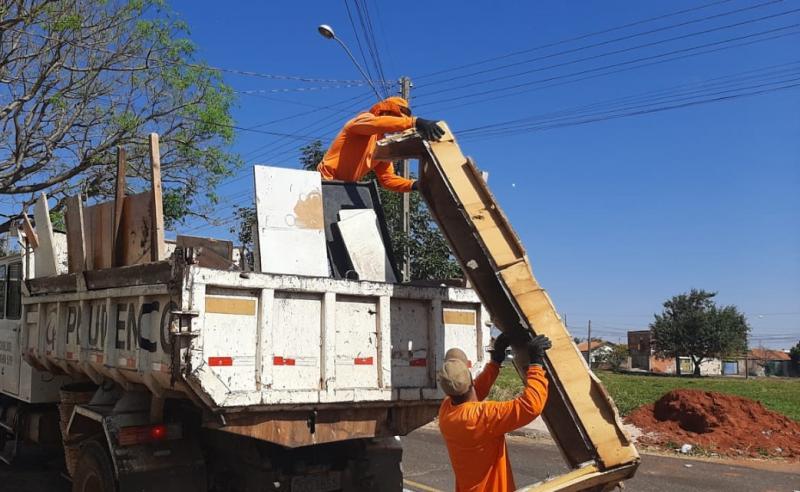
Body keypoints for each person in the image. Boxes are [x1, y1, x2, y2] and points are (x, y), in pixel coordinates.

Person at [437, 333, 552, 491]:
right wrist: (536, 365)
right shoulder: (483, 417)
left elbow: (474, 390)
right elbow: (530, 406)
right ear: (470, 378)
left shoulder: (446, 411)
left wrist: (495, 361)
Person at [316, 96, 445, 192]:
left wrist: (415, 185)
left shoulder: (381, 145)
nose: (397, 128)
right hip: (324, 182)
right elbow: (377, 123)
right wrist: (415, 122)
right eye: (396, 119)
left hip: (345, 187)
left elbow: (387, 179)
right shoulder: (362, 120)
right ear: (384, 112)